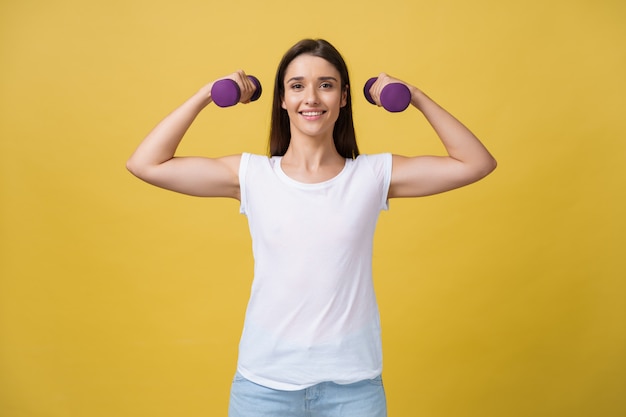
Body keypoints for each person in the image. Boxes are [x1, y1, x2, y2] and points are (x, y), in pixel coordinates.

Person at [127, 38, 496, 417]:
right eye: (297, 85)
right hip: (264, 388)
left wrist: (414, 96)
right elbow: (146, 164)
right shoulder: (252, 176)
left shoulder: (371, 176)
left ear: (344, 98)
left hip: (353, 390)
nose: (312, 98)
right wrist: (208, 94)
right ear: (282, 100)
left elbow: (475, 163)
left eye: (326, 85)